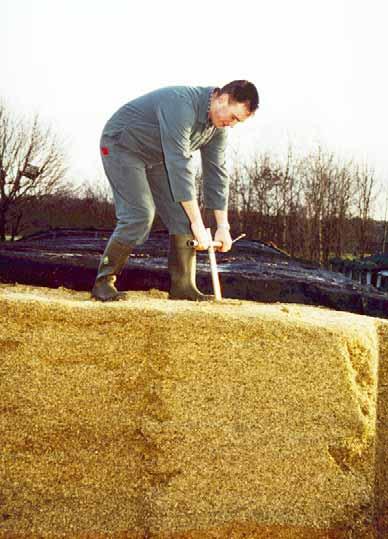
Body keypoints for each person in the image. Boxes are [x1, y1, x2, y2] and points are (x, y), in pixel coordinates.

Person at [91, 80, 259, 302]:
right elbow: (180, 164)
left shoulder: (217, 128)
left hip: (157, 156)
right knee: (140, 214)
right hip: (122, 145)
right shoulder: (181, 104)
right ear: (223, 99)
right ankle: (103, 282)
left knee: (182, 218)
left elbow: (216, 174)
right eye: (234, 117)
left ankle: (183, 287)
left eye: (238, 122)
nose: (232, 124)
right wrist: (198, 224)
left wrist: (223, 227)